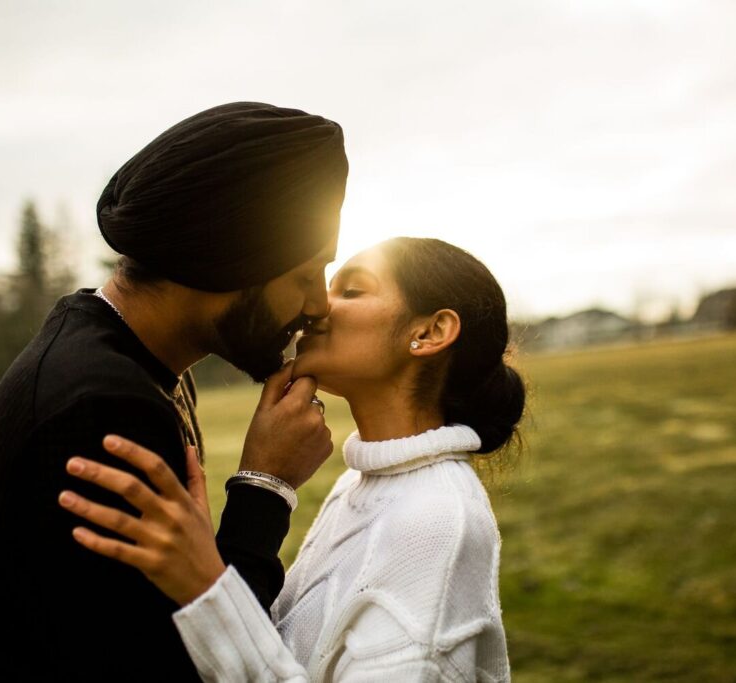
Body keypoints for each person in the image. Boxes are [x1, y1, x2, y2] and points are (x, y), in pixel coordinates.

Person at [0, 102, 348, 681]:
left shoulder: (135, 364)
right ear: (225, 259)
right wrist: (267, 488)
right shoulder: (101, 410)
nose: (318, 305)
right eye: (301, 276)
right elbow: (186, 666)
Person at [58, 237, 526, 681]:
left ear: (429, 332)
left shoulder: (436, 523)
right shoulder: (359, 487)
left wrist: (207, 587)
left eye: (353, 289)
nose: (317, 307)